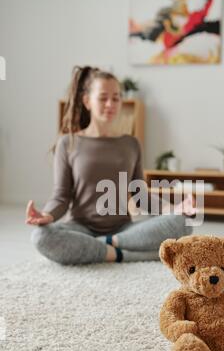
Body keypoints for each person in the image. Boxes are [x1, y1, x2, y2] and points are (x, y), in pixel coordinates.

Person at [26, 66, 196, 265]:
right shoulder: (68, 143)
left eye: (116, 98)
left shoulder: (131, 144)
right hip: (81, 228)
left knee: (184, 222)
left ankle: (101, 246)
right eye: (103, 98)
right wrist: (47, 215)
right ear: (87, 101)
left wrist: (175, 208)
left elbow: (141, 197)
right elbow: (61, 195)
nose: (110, 104)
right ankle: (127, 254)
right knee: (41, 237)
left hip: (123, 230)